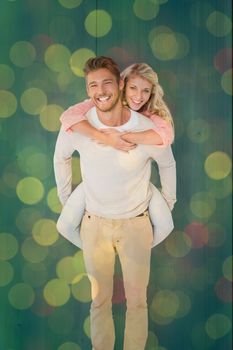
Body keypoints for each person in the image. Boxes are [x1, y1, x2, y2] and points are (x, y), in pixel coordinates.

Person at [54, 56, 176, 350]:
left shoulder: (148, 128)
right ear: (87, 89)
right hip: (94, 224)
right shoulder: (79, 125)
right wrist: (67, 198)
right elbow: (61, 157)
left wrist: (169, 201)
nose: (101, 90)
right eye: (93, 85)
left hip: (136, 224)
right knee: (99, 301)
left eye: (107, 82)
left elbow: (168, 163)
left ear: (120, 84)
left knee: (137, 303)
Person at [56, 63, 175, 248]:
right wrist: (104, 138)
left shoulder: (151, 116)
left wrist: (126, 136)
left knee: (166, 224)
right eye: (133, 88)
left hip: (135, 184)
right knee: (65, 226)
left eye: (145, 91)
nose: (138, 96)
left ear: (152, 93)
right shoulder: (101, 102)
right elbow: (68, 118)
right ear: (122, 86)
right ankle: (98, 249)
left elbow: (166, 137)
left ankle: (133, 249)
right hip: (96, 184)